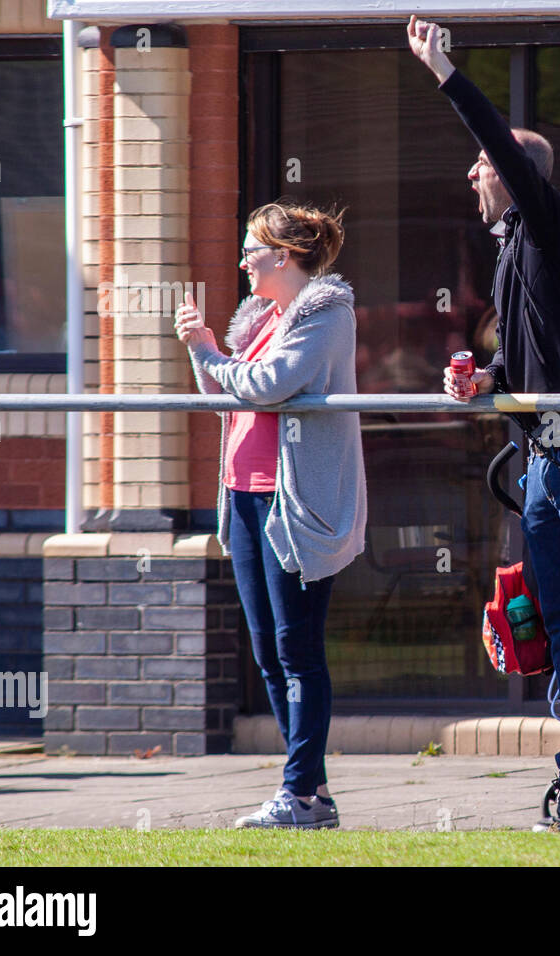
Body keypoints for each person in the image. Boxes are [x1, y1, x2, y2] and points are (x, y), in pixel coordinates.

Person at [407, 16, 560, 831]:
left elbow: (493, 135)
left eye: (483, 165)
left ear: (518, 173)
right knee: (558, 621)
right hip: (538, 460)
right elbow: (531, 350)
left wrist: (444, 70)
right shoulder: (512, 248)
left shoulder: (553, 222)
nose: (470, 172)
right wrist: (485, 376)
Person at [174, 201, 366, 829]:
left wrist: (208, 351)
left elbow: (271, 383)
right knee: (268, 649)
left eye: (251, 251)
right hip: (245, 495)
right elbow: (230, 388)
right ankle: (311, 791)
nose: (242, 263)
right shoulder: (262, 319)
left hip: (293, 503)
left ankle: (302, 795)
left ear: (283, 255)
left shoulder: (324, 312)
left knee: (297, 647)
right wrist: (207, 352)